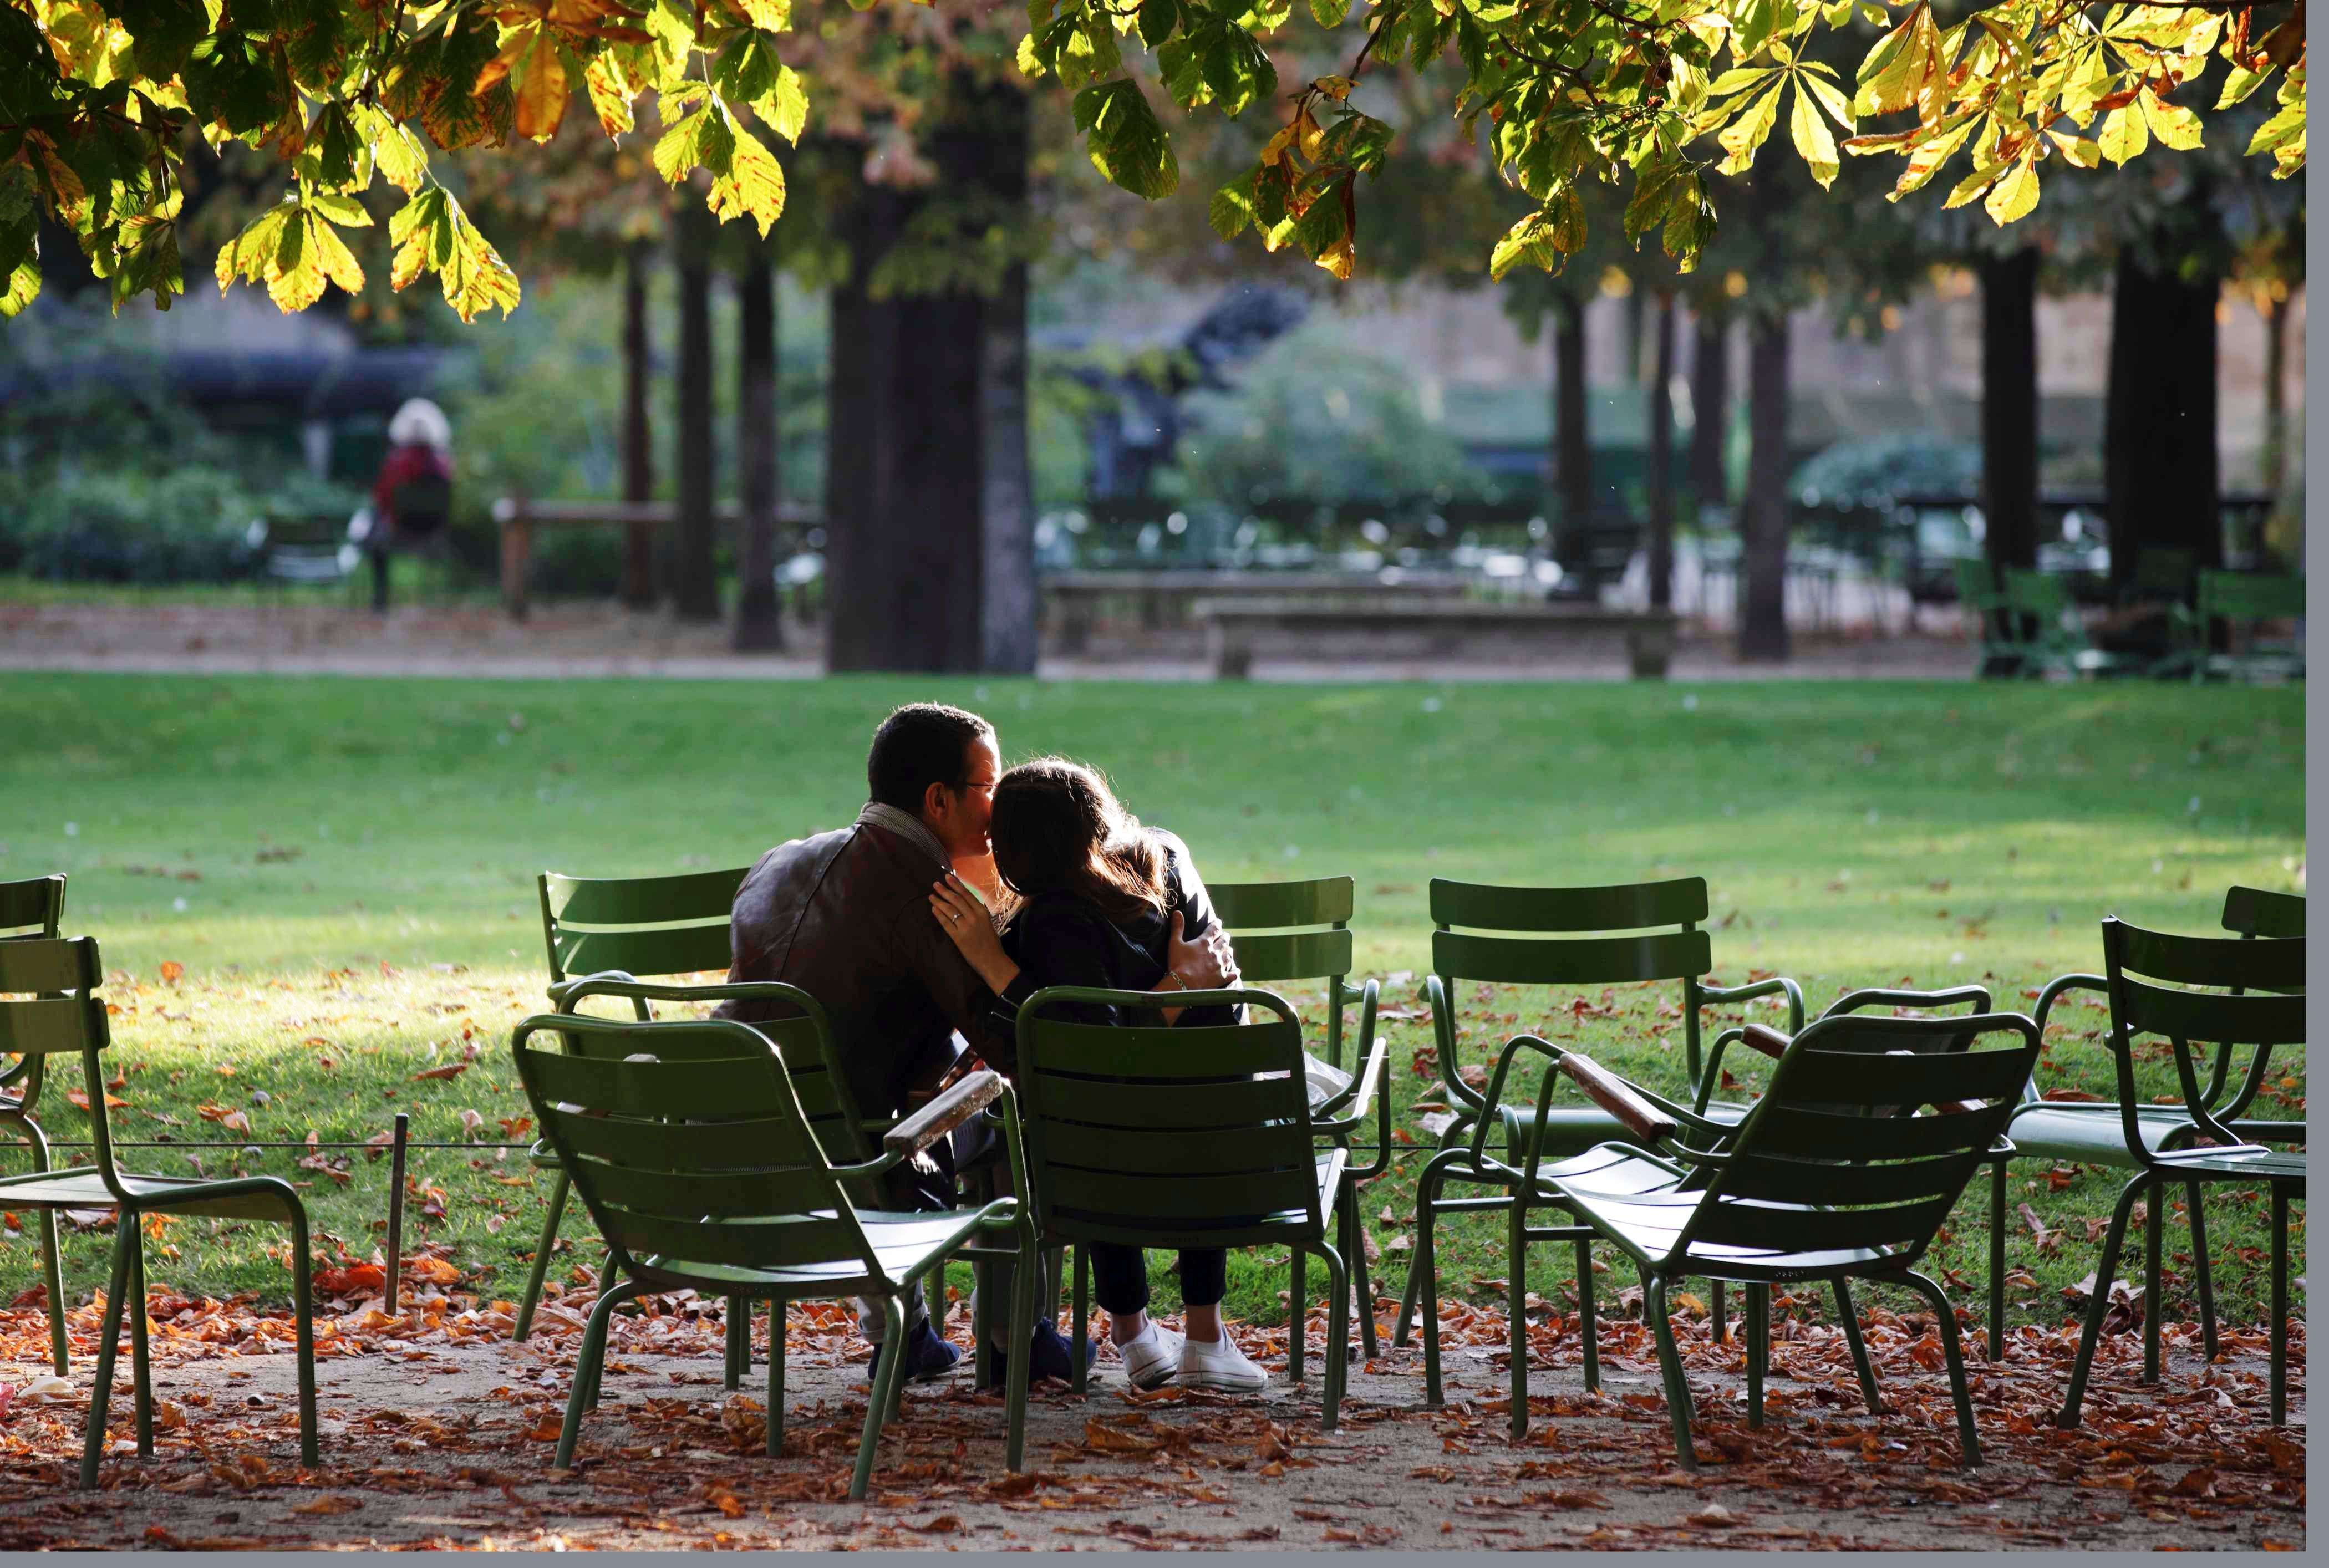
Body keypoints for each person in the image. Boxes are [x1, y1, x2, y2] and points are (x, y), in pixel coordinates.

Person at [716, 704, 1237, 1387]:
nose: (1000, 810)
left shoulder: (780, 860)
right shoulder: (933, 903)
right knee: (1007, 1112)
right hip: (862, 1157)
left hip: (735, 1146)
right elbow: (1044, 1058)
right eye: (989, 787)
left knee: (941, 1092)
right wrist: (1163, 992)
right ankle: (1015, 1338)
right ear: (937, 799)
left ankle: (908, 1334)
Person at [928, 757, 1268, 1394]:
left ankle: (1136, 1332)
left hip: (1099, 1163)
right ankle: (1203, 1333)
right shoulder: (1167, 856)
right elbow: (1219, 988)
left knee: (1084, 1114)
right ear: (1098, 817)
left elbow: (1090, 1058)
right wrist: (1176, 987)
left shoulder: (1044, 923)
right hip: (1219, 1139)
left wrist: (995, 964)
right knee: (1185, 1090)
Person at [363, 398, 455, 614]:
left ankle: (381, 599)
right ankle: (437, 599)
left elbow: (382, 498)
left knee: (374, 543)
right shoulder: (444, 464)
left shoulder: (396, 462)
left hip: (399, 532)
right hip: (434, 534)